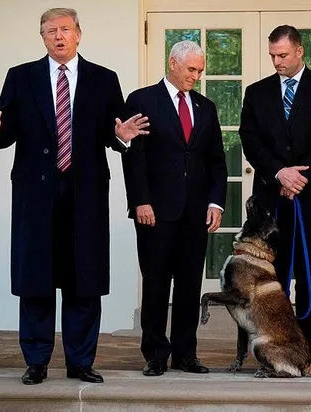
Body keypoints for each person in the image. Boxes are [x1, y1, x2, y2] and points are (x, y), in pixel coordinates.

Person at [0, 8, 149, 385]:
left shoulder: (104, 79)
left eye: (65, 29)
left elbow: (114, 131)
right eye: (50, 31)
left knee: (84, 279)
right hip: (36, 195)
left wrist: (121, 137)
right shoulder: (21, 77)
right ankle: (36, 361)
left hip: (86, 194)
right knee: (36, 279)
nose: (58, 36)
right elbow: (6, 130)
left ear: (79, 33)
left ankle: (81, 362)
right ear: (43, 38)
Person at [122, 40, 227, 377]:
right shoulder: (142, 100)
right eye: (191, 69)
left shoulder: (206, 107)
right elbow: (134, 157)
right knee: (155, 284)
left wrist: (215, 202)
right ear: (172, 63)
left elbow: (216, 160)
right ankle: (155, 354)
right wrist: (140, 200)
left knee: (189, 286)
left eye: (200, 71)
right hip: (154, 211)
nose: (196, 76)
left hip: (195, 213)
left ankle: (185, 353)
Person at [238, 25, 311, 356]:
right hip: (270, 199)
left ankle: (303, 348)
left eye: (282, 55)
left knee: (308, 273)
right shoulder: (256, 92)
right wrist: (279, 174)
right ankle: (272, 345)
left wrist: (300, 177)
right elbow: (250, 140)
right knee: (270, 274)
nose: (277, 62)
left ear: (299, 51)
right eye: (272, 56)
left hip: (309, 198)